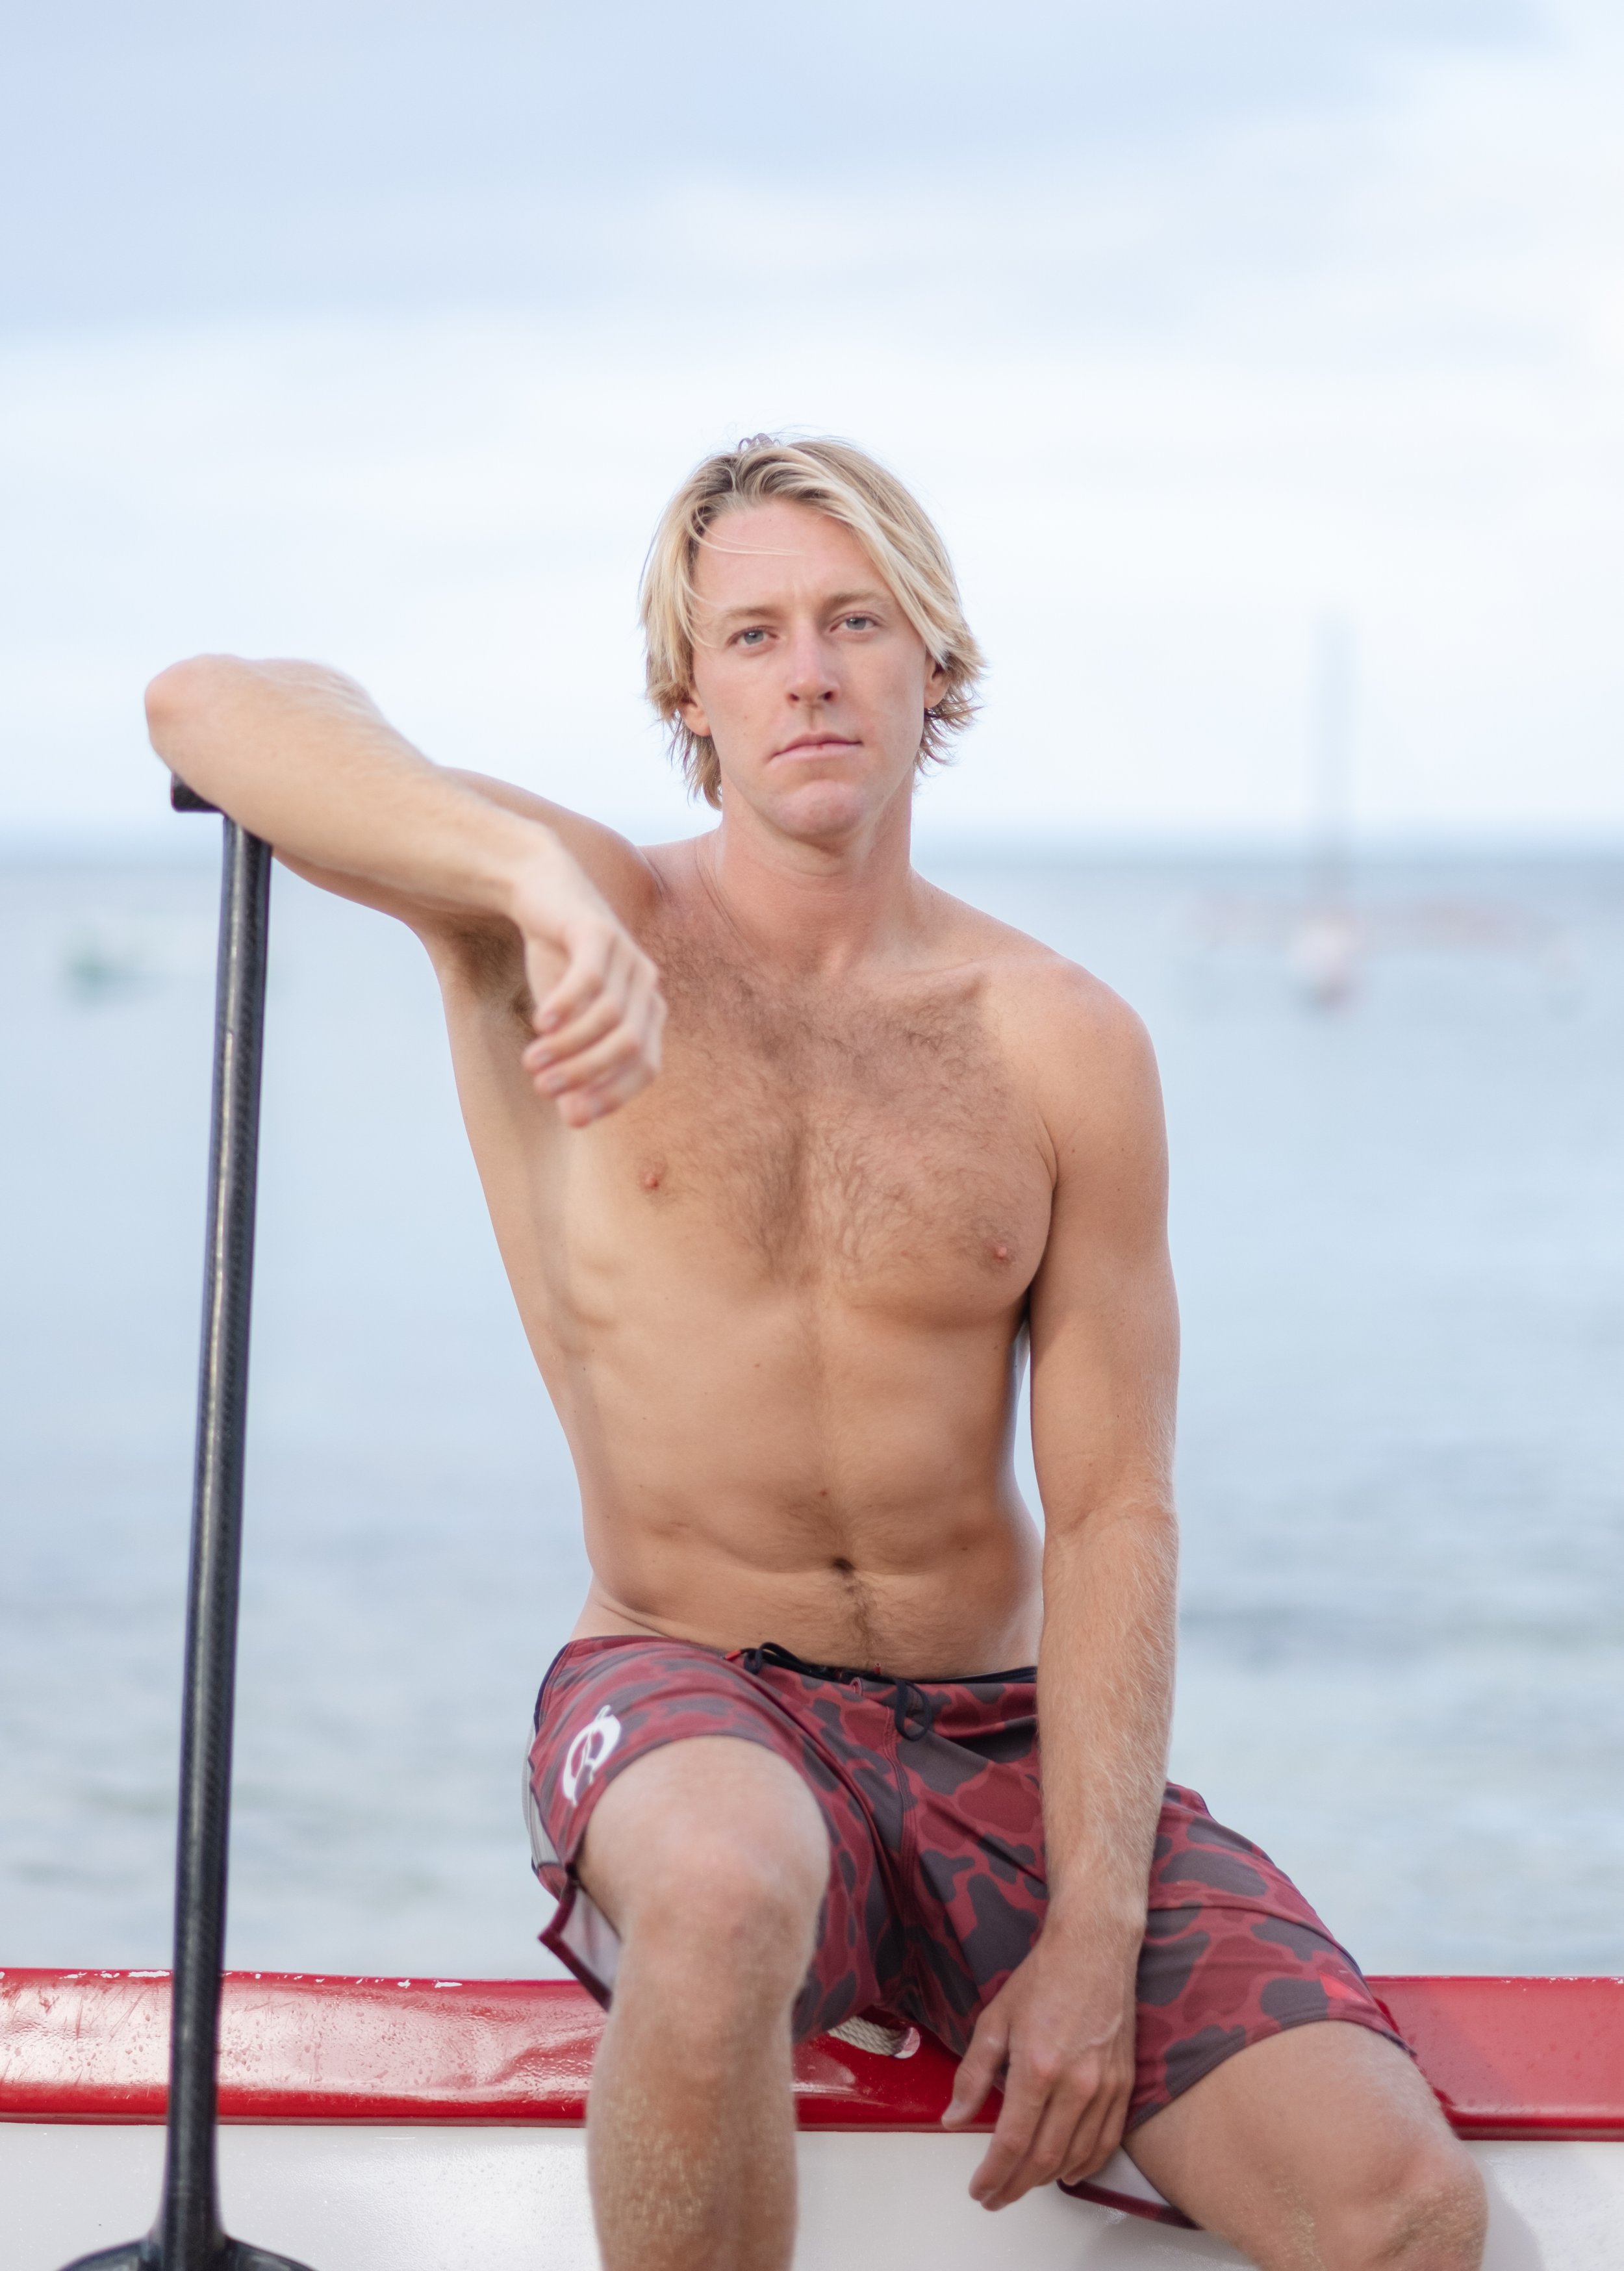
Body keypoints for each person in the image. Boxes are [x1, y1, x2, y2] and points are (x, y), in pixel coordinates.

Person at [146, 436, 1486, 2271]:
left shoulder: (1059, 1039)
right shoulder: (573, 921)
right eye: (755, 634)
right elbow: (214, 703)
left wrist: (1092, 1929)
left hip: (999, 1734)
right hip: (693, 1683)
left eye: (857, 623)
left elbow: (1113, 1507)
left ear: (935, 662)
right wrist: (527, 878)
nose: (811, 674)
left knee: (1400, 2210)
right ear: (686, 691)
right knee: (715, 1893)